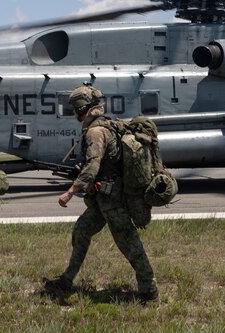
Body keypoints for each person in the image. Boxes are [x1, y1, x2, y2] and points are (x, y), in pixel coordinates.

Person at [44, 85, 158, 301]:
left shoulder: (96, 132)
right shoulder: (106, 126)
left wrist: (70, 191)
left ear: (82, 108)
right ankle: (67, 280)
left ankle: (149, 289)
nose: (74, 113)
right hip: (103, 197)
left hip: (113, 200)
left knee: (129, 243)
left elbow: (93, 167)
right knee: (81, 231)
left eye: (75, 109)